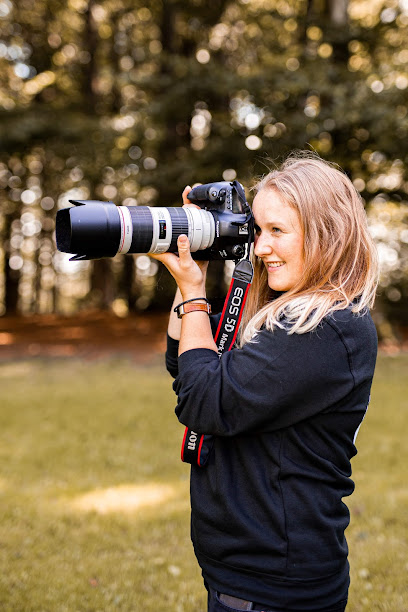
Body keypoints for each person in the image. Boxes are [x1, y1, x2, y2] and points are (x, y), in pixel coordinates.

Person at [151, 152, 378, 612]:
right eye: (258, 230)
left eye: (278, 231)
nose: (259, 247)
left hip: (275, 585)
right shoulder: (287, 312)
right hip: (248, 570)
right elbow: (188, 366)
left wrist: (195, 298)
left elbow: (204, 400)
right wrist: (188, 283)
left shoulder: (327, 327)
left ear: (326, 235)